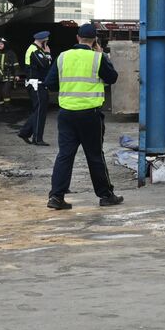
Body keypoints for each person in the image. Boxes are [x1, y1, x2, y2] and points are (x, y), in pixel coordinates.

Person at [46, 24, 123, 210]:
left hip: (66, 114)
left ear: (77, 37)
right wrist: (103, 56)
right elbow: (112, 78)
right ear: (95, 40)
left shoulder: (63, 56)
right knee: (95, 155)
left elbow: (50, 83)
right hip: (90, 115)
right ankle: (106, 195)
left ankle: (56, 197)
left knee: (65, 155)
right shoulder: (97, 58)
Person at [18, 31, 53, 145]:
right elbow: (44, 65)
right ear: (43, 41)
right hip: (35, 84)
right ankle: (37, 138)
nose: (47, 44)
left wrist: (46, 55)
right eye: (46, 42)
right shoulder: (34, 50)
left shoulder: (38, 50)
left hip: (39, 83)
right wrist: (48, 54)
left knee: (40, 110)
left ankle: (25, 132)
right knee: (39, 110)